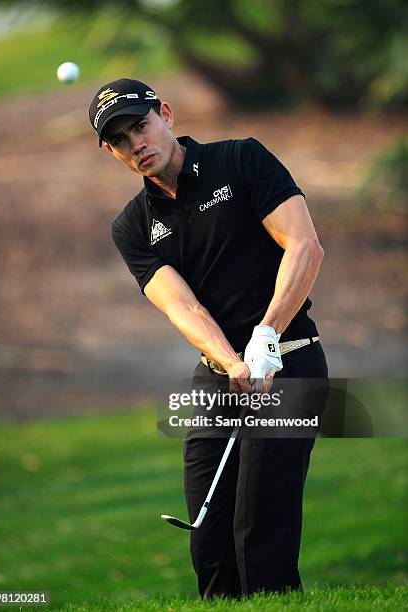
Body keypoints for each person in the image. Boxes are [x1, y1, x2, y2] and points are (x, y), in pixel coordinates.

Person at [88, 78, 329, 599]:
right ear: (111, 152)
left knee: (261, 531)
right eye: (120, 141)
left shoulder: (241, 160)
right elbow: (182, 305)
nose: (137, 145)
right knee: (209, 538)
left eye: (140, 126)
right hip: (218, 375)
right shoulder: (132, 226)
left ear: (167, 115)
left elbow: (304, 246)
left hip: (291, 359)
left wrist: (267, 334)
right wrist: (231, 360)